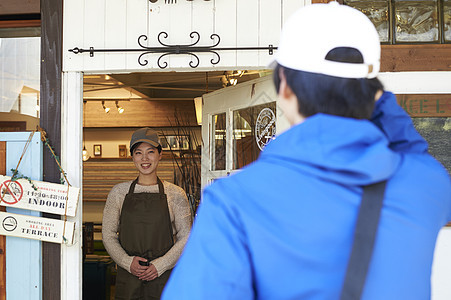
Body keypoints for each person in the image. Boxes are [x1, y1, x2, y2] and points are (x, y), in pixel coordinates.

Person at [162, 3, 451, 300]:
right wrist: (368, 94)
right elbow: (412, 152)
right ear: (372, 91)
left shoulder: (234, 201)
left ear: (284, 86)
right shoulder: (424, 185)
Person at [102, 127, 191, 300]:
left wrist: (160, 265)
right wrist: (128, 263)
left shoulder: (176, 194)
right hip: (128, 278)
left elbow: (186, 237)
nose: (145, 158)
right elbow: (108, 235)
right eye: (138, 153)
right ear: (132, 157)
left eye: (150, 152)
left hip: (164, 279)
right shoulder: (118, 193)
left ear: (160, 154)